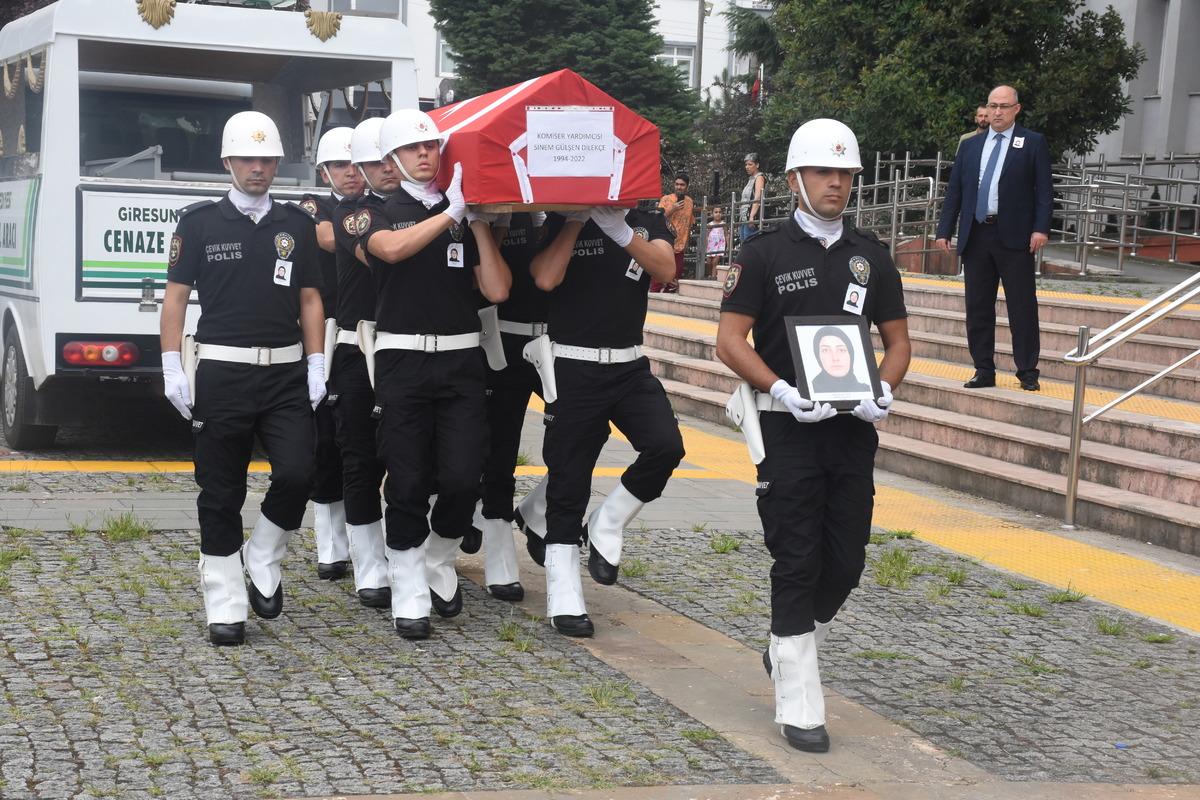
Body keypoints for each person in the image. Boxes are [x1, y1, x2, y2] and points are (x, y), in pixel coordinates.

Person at [715, 118, 911, 752]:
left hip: (853, 430)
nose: (837, 184)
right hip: (787, 427)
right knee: (796, 559)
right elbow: (728, 341)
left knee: (846, 563)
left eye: (846, 174)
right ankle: (799, 698)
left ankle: (785, 642)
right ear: (795, 179)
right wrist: (779, 390)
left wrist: (885, 387)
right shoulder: (763, 252)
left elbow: (899, 342)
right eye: (825, 173)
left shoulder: (871, 255)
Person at [160, 111, 327, 646]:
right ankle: (225, 598)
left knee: (300, 472)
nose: (258, 168)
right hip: (223, 371)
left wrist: (317, 361)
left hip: (283, 371)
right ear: (227, 161)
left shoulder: (297, 224)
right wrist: (171, 364)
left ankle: (263, 553)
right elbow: (177, 299)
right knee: (221, 487)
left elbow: (309, 298)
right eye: (248, 159)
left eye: (267, 159)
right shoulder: (199, 222)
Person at [361, 109, 510, 640]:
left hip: (461, 359)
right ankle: (406, 581)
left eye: (432, 147)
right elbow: (392, 250)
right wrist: (451, 215)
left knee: (463, 475)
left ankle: (438, 557)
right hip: (403, 360)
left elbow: (495, 290)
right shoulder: (376, 211)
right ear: (393, 160)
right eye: (414, 149)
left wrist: (475, 222)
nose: (425, 155)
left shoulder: (460, 211)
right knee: (406, 476)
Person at [529, 204, 684, 638]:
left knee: (666, 446)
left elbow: (666, 268)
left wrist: (620, 231)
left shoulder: (647, 220)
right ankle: (563, 592)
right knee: (569, 478)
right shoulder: (564, 219)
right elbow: (544, 278)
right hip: (573, 364)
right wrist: (578, 220)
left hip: (629, 364)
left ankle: (608, 522)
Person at [320, 116, 401, 609]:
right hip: (358, 345)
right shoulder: (353, 213)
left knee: (416, 457)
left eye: (385, 159)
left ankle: (414, 550)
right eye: (372, 161)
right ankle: (370, 563)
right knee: (358, 456)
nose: (381, 169)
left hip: (413, 346)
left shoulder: (420, 208)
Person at [935, 84, 1051, 392]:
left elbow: (1044, 192)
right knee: (978, 306)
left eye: (1003, 106)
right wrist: (944, 230)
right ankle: (983, 369)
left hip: (1015, 236)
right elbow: (955, 191)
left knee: (1022, 305)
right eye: (993, 105)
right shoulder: (971, 146)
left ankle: (1027, 370)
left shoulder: (1033, 143)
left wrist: (1041, 228)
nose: (997, 111)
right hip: (977, 234)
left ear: (1016, 109)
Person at [474, 211, 550, 600]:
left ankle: (536, 511)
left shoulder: (570, 211)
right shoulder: (505, 210)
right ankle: (501, 559)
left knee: (586, 430)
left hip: (556, 344)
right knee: (500, 450)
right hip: (501, 339)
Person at [298, 126, 361, 583]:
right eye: (341, 165)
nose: (352, 172)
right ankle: (330, 546)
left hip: (371, 336)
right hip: (328, 334)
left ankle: (364, 540)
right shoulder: (313, 206)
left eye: (358, 163)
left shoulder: (376, 204)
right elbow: (322, 237)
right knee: (326, 440)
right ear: (324, 172)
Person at [653, 172, 695, 292]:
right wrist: (673, 208)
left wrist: (686, 242)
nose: (679, 187)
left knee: (674, 278)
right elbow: (658, 218)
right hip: (665, 244)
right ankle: (653, 298)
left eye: (682, 185)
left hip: (680, 246)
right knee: (659, 274)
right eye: (676, 184)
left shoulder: (690, 202)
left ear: (687, 186)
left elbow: (688, 223)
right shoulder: (666, 199)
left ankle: (667, 299)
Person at [809, 326, 871, 393]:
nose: (835, 358)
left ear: (851, 354)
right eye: (825, 350)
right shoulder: (809, 390)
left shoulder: (866, 391)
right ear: (818, 356)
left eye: (841, 350)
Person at [739, 153, 767, 244]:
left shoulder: (759, 177)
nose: (747, 167)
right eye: (746, 164)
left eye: (750, 164)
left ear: (757, 165)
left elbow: (758, 197)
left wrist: (752, 216)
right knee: (744, 245)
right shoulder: (751, 179)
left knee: (749, 245)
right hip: (744, 217)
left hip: (750, 217)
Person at [706, 205, 727, 275]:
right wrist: (705, 246)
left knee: (715, 262)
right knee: (709, 262)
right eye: (716, 212)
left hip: (719, 246)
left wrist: (728, 246)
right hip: (711, 246)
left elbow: (726, 235)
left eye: (720, 212)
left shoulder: (723, 224)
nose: (718, 214)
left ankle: (713, 277)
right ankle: (710, 275)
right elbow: (707, 236)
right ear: (712, 214)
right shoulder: (710, 224)